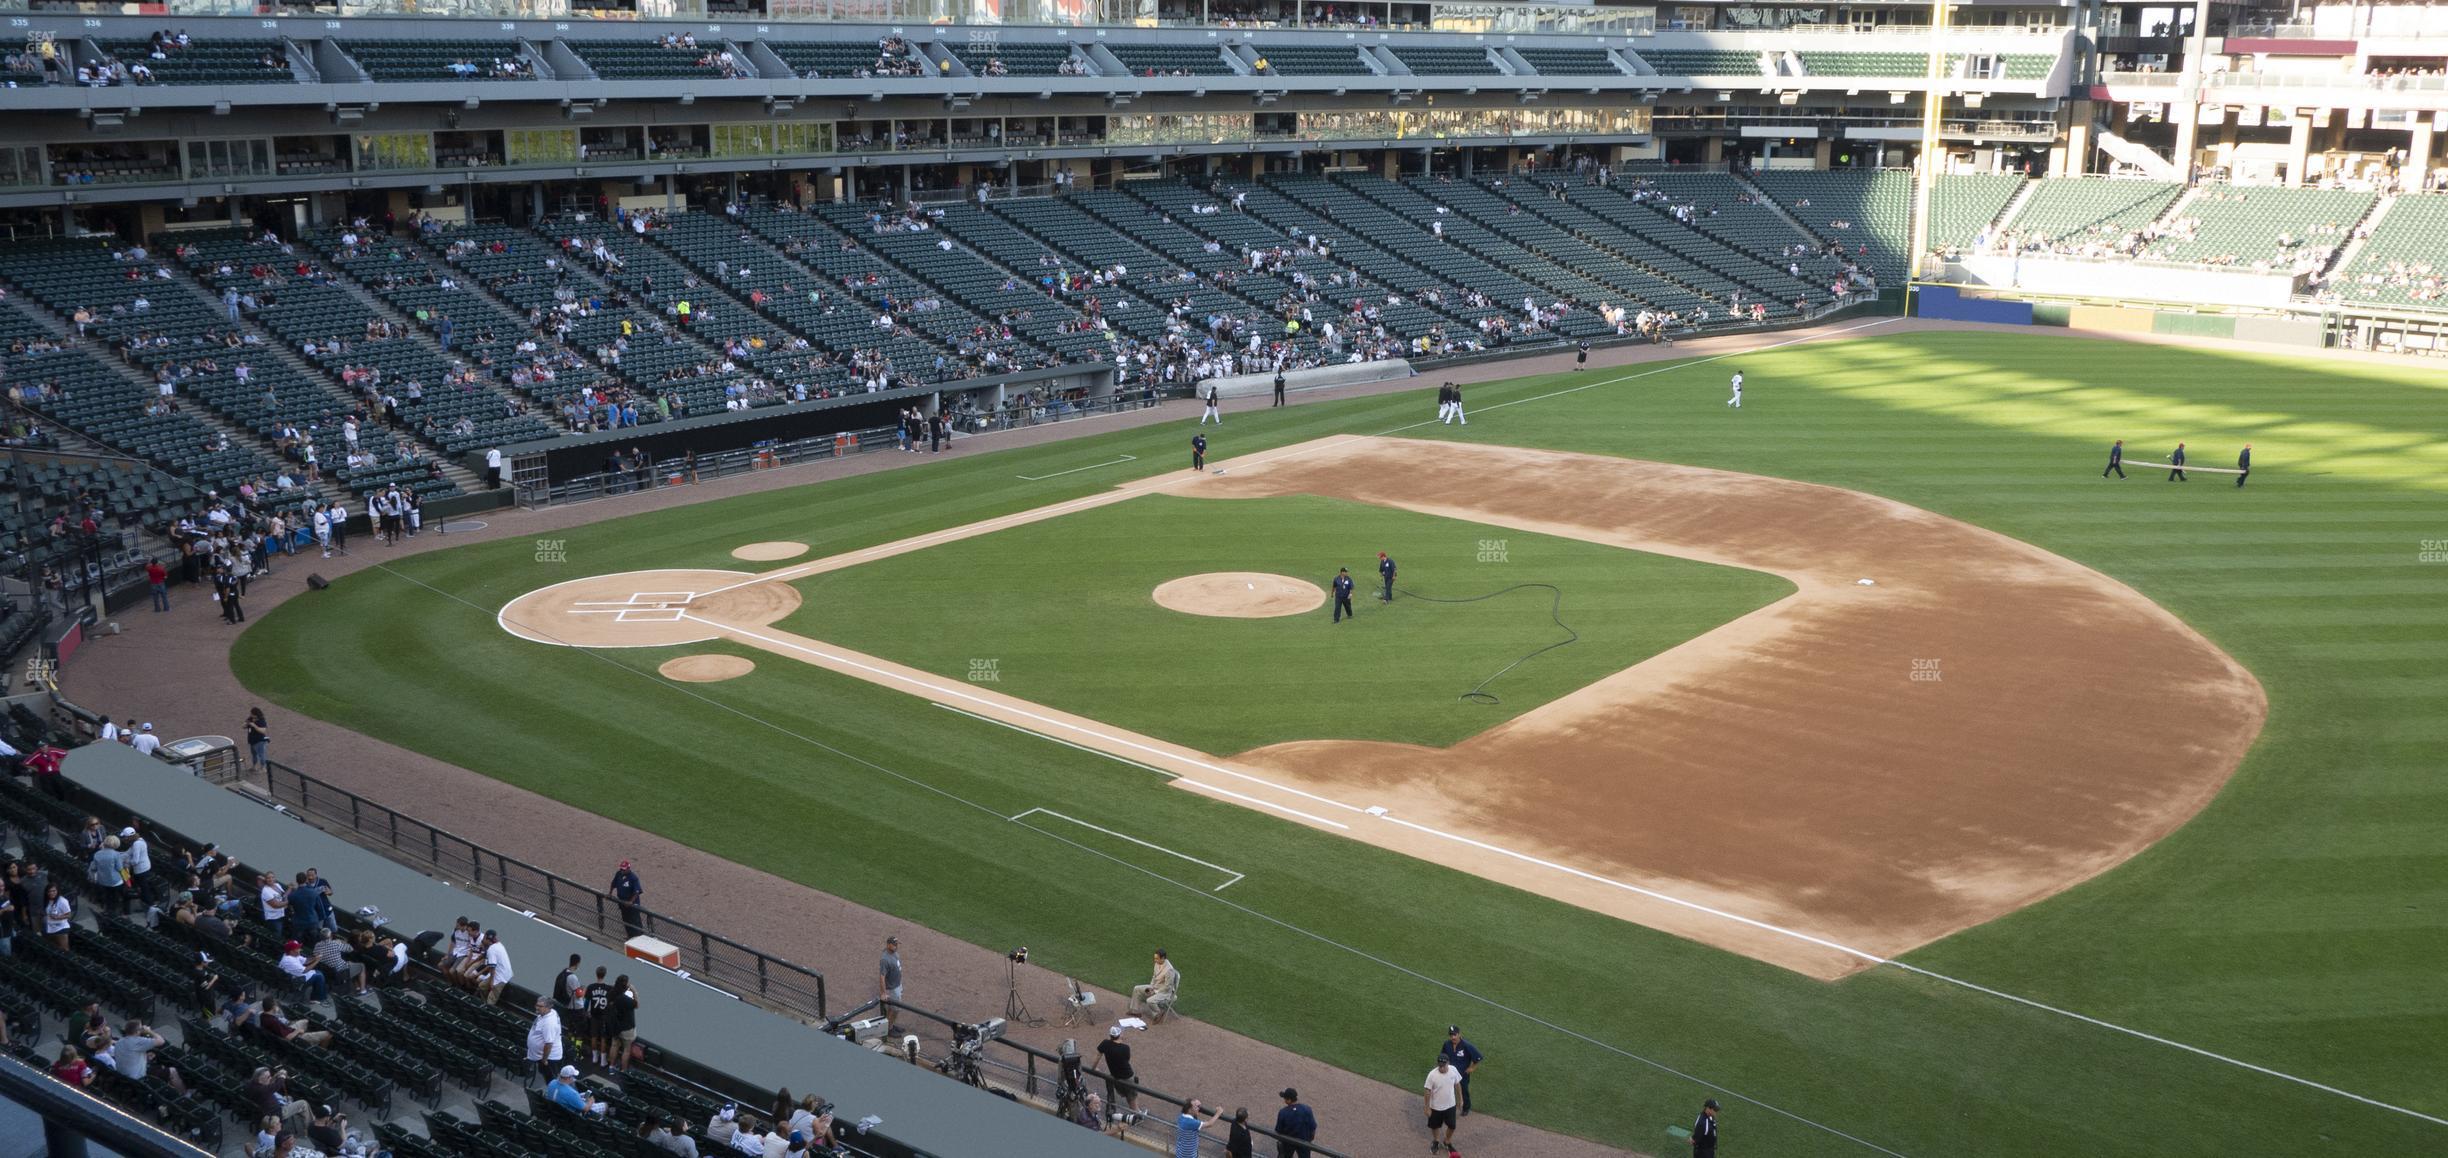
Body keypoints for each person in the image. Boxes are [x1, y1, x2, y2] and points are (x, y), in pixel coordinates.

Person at [1438, 1026, 1483, 1116]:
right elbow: (1443, 1056)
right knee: (1447, 1089)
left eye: (1455, 1034)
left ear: (1459, 1034)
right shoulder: (1447, 1044)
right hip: (1449, 1073)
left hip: (1462, 1075)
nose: (1453, 1037)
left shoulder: (1467, 1045)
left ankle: (1466, 1108)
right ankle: (1447, 1106)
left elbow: (1478, 1057)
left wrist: (1472, 1068)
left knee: (1463, 1091)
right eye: (1451, 1035)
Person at [1095, 1024, 1139, 1112]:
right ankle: (1137, 1115)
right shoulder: (1125, 1048)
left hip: (1115, 1076)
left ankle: (1134, 1111)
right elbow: (1126, 1059)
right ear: (1119, 1035)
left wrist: (1094, 1068)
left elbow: (1097, 1056)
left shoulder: (1105, 1044)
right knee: (1132, 1098)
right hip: (1127, 1076)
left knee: (1127, 1096)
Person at [1424, 1055, 1462, 1152]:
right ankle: (1436, 1140)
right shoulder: (1432, 1075)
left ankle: (1447, 1141)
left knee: (1452, 1126)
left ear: (1448, 1063)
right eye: (1440, 1065)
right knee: (1434, 1126)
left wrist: (1460, 1099)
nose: (1441, 1068)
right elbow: (1427, 1091)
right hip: (1435, 1107)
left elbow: (1457, 1084)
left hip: (1450, 1106)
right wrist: (1427, 1107)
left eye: (1443, 1065)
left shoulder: (1453, 1070)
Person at [1129, 949, 1180, 1020]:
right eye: (1155, 958)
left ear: (1162, 958)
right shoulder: (1157, 963)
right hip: (1155, 987)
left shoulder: (1169, 970)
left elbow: (1168, 986)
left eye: (1156, 958)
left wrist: (1155, 991)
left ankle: (1158, 1013)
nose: (1155, 960)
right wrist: (1151, 987)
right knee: (1137, 988)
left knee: (1149, 1001)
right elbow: (1154, 977)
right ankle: (1135, 1010)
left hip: (1165, 992)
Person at [526, 995, 565, 1085]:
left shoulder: (549, 1023)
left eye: (540, 1006)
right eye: (537, 1005)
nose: (537, 1008)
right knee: (546, 1076)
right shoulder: (546, 1013)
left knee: (551, 1081)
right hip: (542, 1056)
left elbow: (549, 1044)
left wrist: (544, 1060)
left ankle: (551, 1095)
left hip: (549, 1058)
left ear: (548, 1007)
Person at [1273, 1088, 1317, 1158]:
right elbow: (1313, 1127)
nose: (1284, 1100)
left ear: (1289, 1100)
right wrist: (1310, 1139)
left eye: (1285, 1098)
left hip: (1288, 1142)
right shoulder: (1307, 1109)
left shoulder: (1283, 1112)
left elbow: (1278, 1130)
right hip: (1304, 1141)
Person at [612, 860, 647, 938]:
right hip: (622, 902)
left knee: (635, 921)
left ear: (628, 868)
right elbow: (613, 883)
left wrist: (630, 902)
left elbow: (637, 891)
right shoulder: (619, 874)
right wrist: (610, 893)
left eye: (623, 869)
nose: (622, 871)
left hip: (633, 905)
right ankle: (630, 936)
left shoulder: (633, 878)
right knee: (626, 920)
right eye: (621, 869)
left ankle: (639, 938)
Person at [878, 935, 903, 1035]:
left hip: (897, 984)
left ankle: (891, 1025)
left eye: (897, 944)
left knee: (892, 1009)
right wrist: (883, 993)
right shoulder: (885, 959)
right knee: (895, 1009)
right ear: (888, 945)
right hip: (892, 988)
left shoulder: (894, 952)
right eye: (894, 944)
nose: (896, 946)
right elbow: (882, 977)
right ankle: (888, 1030)